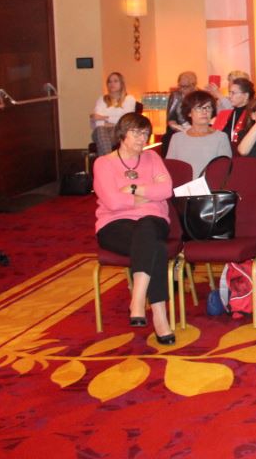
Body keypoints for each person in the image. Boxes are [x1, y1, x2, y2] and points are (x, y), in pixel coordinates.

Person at [94, 113, 176, 343]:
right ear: (122, 134)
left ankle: (138, 299)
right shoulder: (104, 163)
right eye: (137, 133)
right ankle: (160, 316)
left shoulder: (152, 157)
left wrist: (132, 188)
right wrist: (148, 194)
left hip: (153, 220)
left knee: (147, 226)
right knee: (155, 247)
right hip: (114, 225)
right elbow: (112, 202)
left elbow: (166, 190)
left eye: (145, 133)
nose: (143, 138)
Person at [166, 89, 231, 178]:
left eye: (208, 107)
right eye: (199, 108)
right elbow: (170, 169)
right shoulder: (177, 138)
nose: (204, 112)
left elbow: (224, 169)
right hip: (184, 185)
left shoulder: (221, 137)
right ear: (189, 112)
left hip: (210, 185)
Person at [91, 72, 137, 156]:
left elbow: (126, 120)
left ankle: (106, 160)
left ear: (121, 83)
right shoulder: (102, 99)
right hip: (100, 132)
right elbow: (96, 121)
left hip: (119, 131)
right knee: (100, 130)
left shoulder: (129, 99)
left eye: (115, 81)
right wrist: (113, 121)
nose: (112, 84)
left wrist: (104, 118)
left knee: (101, 138)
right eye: (109, 81)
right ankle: (110, 159)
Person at [212, 77, 254, 144]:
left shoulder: (252, 116)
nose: (230, 96)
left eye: (233, 93)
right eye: (229, 92)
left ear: (246, 96)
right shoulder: (223, 114)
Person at [165, 71, 197, 136]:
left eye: (185, 86)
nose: (182, 89)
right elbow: (171, 118)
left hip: (196, 131)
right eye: (180, 86)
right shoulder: (175, 95)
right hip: (178, 131)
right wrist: (179, 128)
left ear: (193, 85)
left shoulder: (200, 95)